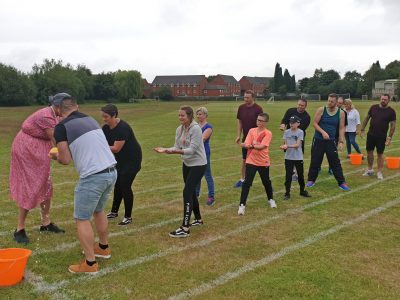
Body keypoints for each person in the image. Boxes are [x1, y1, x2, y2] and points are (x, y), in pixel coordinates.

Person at [51, 94, 117, 274]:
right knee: (98, 210)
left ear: (57, 110)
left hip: (93, 176)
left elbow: (64, 159)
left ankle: (90, 264)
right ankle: (103, 248)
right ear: (76, 106)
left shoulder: (61, 127)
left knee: (82, 218)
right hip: (111, 171)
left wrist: (55, 155)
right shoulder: (90, 119)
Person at [10, 93, 66, 244]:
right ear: (58, 106)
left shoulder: (57, 114)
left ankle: (45, 223)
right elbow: (55, 139)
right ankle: (19, 229)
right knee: (31, 186)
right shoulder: (46, 116)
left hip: (40, 149)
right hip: (27, 150)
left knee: (46, 184)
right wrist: (67, 155)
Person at [154, 106, 207, 238]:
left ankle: (185, 227)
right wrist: (166, 149)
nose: (180, 118)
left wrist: (173, 151)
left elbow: (192, 150)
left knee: (187, 192)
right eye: (179, 115)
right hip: (187, 163)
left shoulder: (196, 129)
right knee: (191, 192)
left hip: (198, 164)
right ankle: (198, 219)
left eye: (182, 115)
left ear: (189, 116)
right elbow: (177, 146)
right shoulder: (179, 129)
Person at [101, 104, 142, 225]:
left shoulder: (122, 128)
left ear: (114, 115)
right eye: (102, 116)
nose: (104, 119)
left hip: (132, 160)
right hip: (119, 160)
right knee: (117, 185)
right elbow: (102, 142)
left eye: (106, 116)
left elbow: (116, 148)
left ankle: (128, 217)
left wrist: (101, 147)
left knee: (125, 185)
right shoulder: (105, 128)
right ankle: (114, 212)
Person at [306, 93, 350, 191]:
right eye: (328, 100)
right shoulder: (321, 110)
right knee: (315, 160)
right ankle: (311, 180)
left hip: (331, 141)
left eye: (332, 101)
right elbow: (314, 123)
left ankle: (341, 182)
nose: (329, 103)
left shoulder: (341, 113)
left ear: (336, 103)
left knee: (335, 162)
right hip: (318, 140)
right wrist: (322, 132)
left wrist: (341, 142)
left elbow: (342, 128)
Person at [237, 113, 276, 216]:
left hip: (263, 161)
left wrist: (251, 145)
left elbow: (261, 146)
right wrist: (245, 145)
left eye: (261, 121)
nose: (259, 122)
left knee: (266, 182)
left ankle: (271, 199)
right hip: (251, 160)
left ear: (266, 122)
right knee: (247, 183)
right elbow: (246, 144)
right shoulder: (251, 131)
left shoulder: (268, 133)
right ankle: (242, 205)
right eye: (258, 120)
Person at [360, 94, 396, 179]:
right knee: (369, 153)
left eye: (385, 99)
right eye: (382, 99)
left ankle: (379, 172)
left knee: (380, 154)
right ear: (380, 99)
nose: (383, 101)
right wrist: (362, 129)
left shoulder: (391, 111)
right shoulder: (373, 107)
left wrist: (389, 138)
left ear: (388, 100)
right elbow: (367, 118)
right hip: (371, 135)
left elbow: (393, 126)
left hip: (382, 136)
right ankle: (370, 170)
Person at [235, 90, 263, 188]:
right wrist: (239, 135)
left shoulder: (258, 109)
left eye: (247, 97)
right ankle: (242, 179)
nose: (245, 99)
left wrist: (257, 138)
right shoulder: (241, 108)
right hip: (245, 138)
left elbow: (261, 124)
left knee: (258, 161)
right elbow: (240, 122)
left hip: (256, 139)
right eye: (244, 97)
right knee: (244, 160)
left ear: (253, 98)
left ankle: (265, 181)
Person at [280, 115, 311, 200]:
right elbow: (285, 143)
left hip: (298, 157)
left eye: (293, 123)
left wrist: (287, 146)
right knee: (288, 176)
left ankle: (302, 191)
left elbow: (297, 145)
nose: (291, 124)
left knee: (300, 175)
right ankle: (287, 193)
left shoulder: (300, 132)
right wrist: (284, 146)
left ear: (298, 123)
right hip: (288, 157)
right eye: (290, 122)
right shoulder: (286, 132)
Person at [279, 98, 311, 181]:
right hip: (289, 136)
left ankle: (297, 173)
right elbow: (285, 120)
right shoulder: (290, 111)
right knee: (289, 153)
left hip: (298, 137)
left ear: (305, 106)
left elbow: (301, 128)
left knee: (298, 155)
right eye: (299, 104)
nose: (300, 106)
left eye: (302, 105)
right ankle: (292, 172)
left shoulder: (307, 117)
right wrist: (283, 124)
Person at [195, 107, 215, 206]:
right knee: (197, 175)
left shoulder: (208, 127)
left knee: (207, 175)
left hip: (204, 153)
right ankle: (196, 194)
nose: (199, 116)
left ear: (205, 115)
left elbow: (202, 139)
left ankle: (211, 196)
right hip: (195, 153)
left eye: (201, 114)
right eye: (197, 114)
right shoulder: (195, 126)